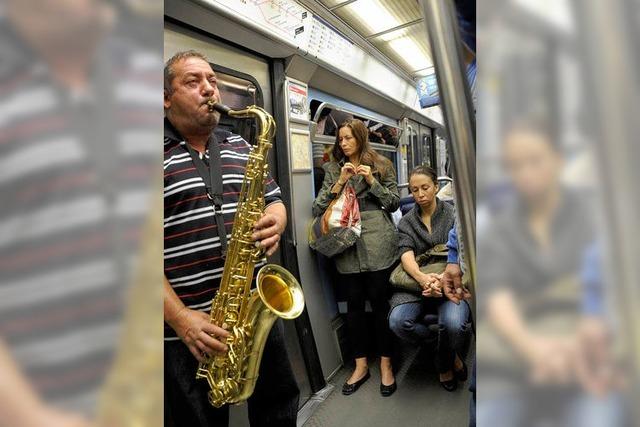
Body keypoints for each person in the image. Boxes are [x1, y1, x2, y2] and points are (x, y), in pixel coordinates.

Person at [163, 50, 299, 427]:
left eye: (212, 80)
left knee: (280, 407)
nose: (209, 89)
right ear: (165, 98)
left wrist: (277, 219)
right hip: (190, 331)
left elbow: (274, 199)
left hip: (252, 313)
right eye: (193, 82)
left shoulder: (239, 145)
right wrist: (181, 319)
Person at [477, 123, 624, 426]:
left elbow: (608, 288)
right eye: (515, 165)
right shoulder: (501, 227)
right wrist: (534, 350)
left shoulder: (593, 215)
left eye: (534, 160)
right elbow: (497, 294)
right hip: (517, 353)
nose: (525, 173)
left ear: (558, 160)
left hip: (589, 351)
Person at [312, 119, 400, 397]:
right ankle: (360, 365)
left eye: (348, 138)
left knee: (379, 301)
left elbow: (394, 203)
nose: (343, 143)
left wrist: (371, 181)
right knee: (353, 306)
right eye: (340, 139)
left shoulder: (383, 165)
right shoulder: (331, 169)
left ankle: (386, 364)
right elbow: (318, 207)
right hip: (346, 245)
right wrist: (340, 181)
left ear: (360, 138)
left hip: (377, 243)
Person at [388, 166, 471, 391]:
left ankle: (443, 364)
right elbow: (406, 255)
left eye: (425, 188)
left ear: (436, 187)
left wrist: (441, 280)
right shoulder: (406, 221)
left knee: (454, 324)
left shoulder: (455, 214)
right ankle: (443, 351)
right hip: (416, 281)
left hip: (452, 278)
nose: (420, 194)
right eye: (414, 190)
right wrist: (423, 279)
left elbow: (462, 252)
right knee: (398, 322)